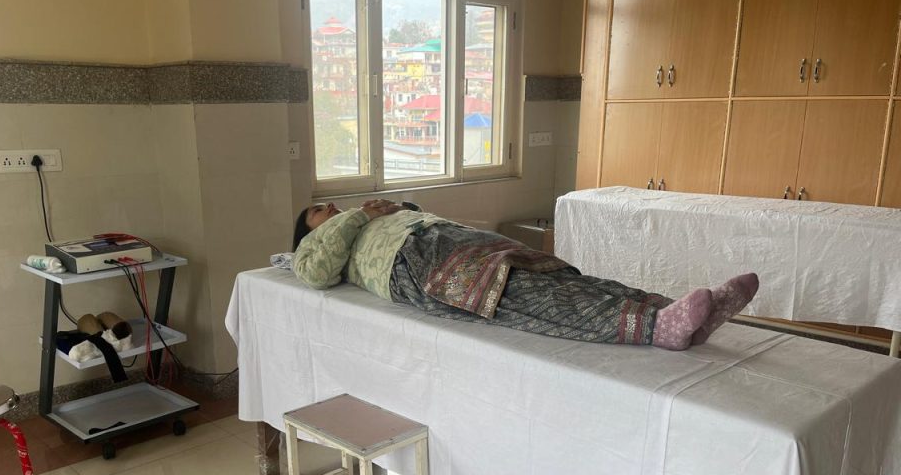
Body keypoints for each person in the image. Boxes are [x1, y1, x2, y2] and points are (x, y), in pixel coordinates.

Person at [291, 199, 758, 351]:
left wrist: (393, 208)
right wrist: (358, 216)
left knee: (558, 275)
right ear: (307, 231)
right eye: (317, 210)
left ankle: (676, 311)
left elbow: (414, 212)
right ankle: (657, 329)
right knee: (521, 295)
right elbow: (316, 273)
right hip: (416, 266)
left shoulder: (366, 214)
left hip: (449, 239)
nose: (327, 207)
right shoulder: (313, 248)